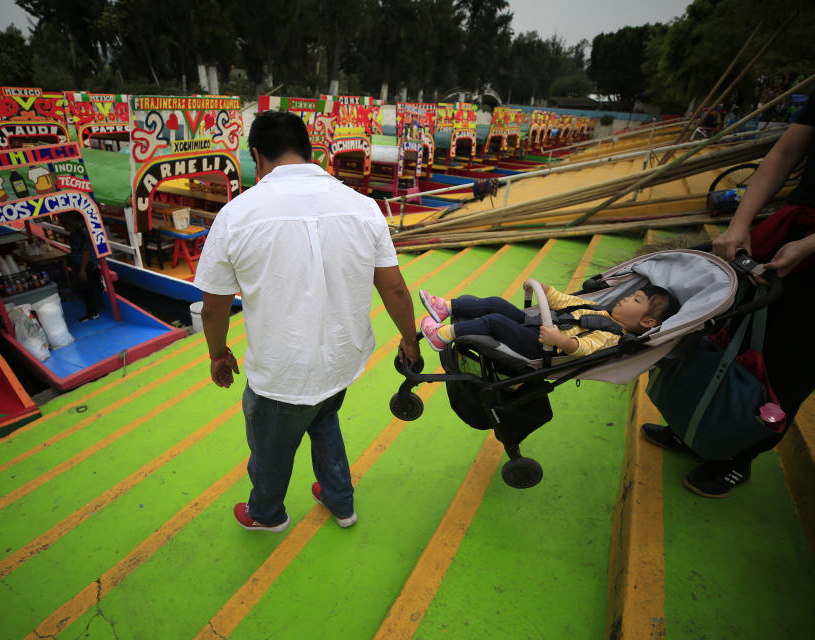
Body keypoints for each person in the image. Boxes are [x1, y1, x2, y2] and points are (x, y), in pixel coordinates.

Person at [192, 111, 420, 533]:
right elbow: (395, 289)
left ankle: (266, 514)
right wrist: (410, 339)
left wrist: (218, 354)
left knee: (270, 449)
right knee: (323, 419)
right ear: (310, 151)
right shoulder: (363, 206)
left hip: (282, 370)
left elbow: (212, 308)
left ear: (257, 157)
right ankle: (341, 502)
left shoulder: (236, 216)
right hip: (341, 360)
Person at [643, 63, 815, 497]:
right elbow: (785, 154)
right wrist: (740, 224)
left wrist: (809, 248)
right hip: (791, 228)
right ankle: (694, 425)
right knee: (722, 331)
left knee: (785, 365)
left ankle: (736, 455)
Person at [418, 284, 677, 357]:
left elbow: (585, 348)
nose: (625, 299)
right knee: (498, 303)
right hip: (536, 325)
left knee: (495, 320)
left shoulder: (613, 335)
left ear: (648, 323)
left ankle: (442, 336)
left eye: (636, 300)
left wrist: (562, 341)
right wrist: (544, 289)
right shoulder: (599, 309)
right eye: (631, 294)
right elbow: (565, 301)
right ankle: (444, 308)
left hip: (541, 345)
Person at [61, 213, 101, 322]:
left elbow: (86, 252)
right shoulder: (74, 234)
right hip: (80, 265)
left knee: (87, 290)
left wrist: (82, 270)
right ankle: (91, 312)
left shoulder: (83, 234)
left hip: (87, 266)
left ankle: (92, 313)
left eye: (65, 225)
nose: (64, 228)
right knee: (85, 290)